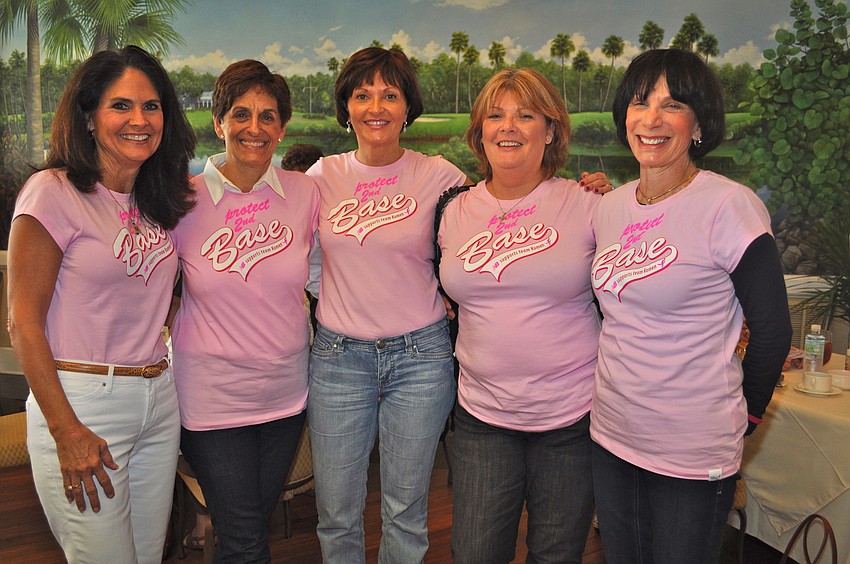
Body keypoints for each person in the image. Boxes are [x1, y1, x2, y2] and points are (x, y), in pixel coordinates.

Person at [589, 49, 792, 564]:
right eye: (639, 102)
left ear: (698, 123)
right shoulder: (609, 209)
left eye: (672, 104)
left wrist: (743, 415)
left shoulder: (728, 206)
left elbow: (771, 331)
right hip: (611, 432)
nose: (651, 119)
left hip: (690, 447)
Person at [7, 45, 194, 563]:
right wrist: (66, 430)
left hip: (158, 399)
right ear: (89, 117)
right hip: (84, 402)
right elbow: (23, 323)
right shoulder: (52, 192)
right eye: (121, 106)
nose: (140, 120)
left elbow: (166, 292)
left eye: (152, 107)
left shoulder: (160, 201)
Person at [304, 46, 467, 564]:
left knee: (404, 510)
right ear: (346, 107)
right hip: (337, 361)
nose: (376, 106)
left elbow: (479, 238)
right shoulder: (321, 177)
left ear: (406, 107)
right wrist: (338, 293)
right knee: (336, 513)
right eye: (362, 94)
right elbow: (306, 261)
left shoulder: (441, 175)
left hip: (420, 360)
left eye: (389, 95)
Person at [437, 67, 602, 563]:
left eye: (525, 115)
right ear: (480, 132)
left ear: (549, 132)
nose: (508, 127)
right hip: (482, 419)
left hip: (571, 419)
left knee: (557, 553)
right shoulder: (452, 210)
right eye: (495, 115)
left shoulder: (590, 205)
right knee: (474, 553)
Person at [169, 59, 319, 562]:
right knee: (244, 537)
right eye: (241, 114)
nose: (254, 128)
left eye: (268, 116)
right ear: (219, 123)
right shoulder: (180, 201)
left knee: (250, 525)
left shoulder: (305, 193)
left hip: (285, 394)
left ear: (282, 127)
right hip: (212, 400)